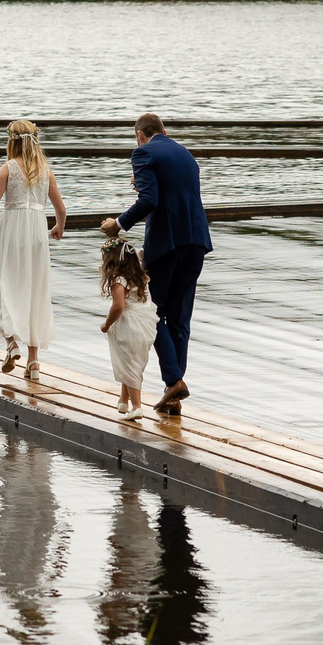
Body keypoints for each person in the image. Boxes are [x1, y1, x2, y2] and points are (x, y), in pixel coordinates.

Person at [101, 112, 210, 416]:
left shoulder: (144, 153)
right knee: (180, 318)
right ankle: (173, 393)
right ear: (165, 131)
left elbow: (150, 200)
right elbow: (176, 196)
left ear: (140, 135)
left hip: (166, 244)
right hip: (197, 240)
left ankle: (174, 381)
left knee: (152, 313)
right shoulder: (186, 155)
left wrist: (118, 224)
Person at [0, 119, 67, 380]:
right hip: (37, 231)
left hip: (12, 229)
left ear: (11, 141)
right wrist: (58, 226)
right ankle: (33, 362)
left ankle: (11, 343)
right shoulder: (45, 171)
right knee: (35, 290)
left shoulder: (9, 168)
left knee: (4, 284)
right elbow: (61, 209)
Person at [98, 234, 158, 418]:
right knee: (131, 361)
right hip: (145, 322)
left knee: (130, 365)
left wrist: (106, 324)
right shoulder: (140, 275)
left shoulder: (119, 280)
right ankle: (123, 401)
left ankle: (137, 407)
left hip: (130, 323)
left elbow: (118, 306)